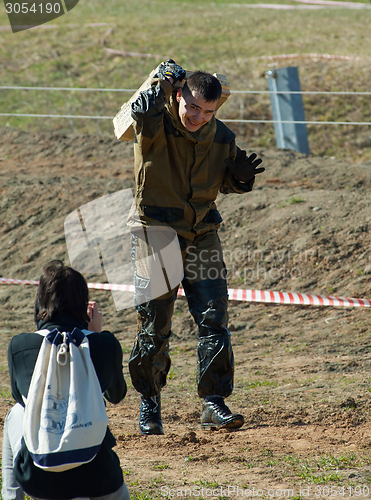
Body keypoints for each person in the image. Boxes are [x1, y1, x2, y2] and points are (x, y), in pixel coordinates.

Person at [127, 60, 265, 435]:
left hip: (203, 233)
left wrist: (240, 180)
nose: (199, 117)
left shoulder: (221, 137)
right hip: (157, 232)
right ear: (178, 97)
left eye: (208, 111)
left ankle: (214, 402)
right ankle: (150, 402)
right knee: (154, 324)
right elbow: (137, 113)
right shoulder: (153, 121)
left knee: (213, 317)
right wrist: (161, 80)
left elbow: (224, 184)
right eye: (192, 107)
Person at [2, 260, 129, 500]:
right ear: (84, 304)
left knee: (17, 412)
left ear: (40, 301)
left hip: (40, 478)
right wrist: (97, 334)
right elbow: (116, 395)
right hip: (99, 476)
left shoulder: (19, 345)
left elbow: (20, 396)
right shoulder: (104, 344)